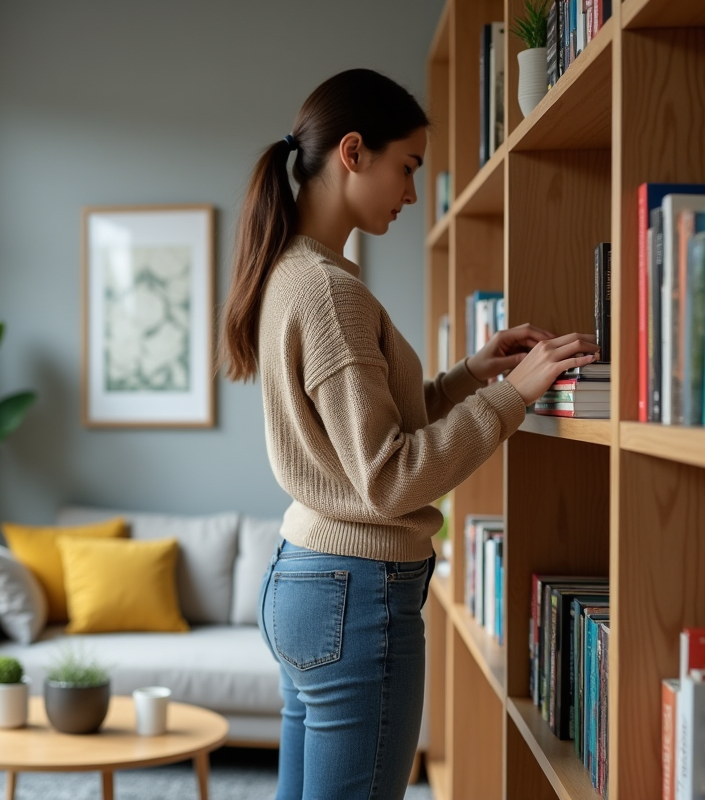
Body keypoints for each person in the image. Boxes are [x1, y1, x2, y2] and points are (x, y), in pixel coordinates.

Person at [219, 68, 599, 800]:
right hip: (355, 593)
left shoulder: (295, 272)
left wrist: (470, 375)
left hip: (306, 574)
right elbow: (389, 477)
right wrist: (513, 398)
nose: (414, 194)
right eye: (409, 167)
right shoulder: (329, 291)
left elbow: (359, 436)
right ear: (353, 152)